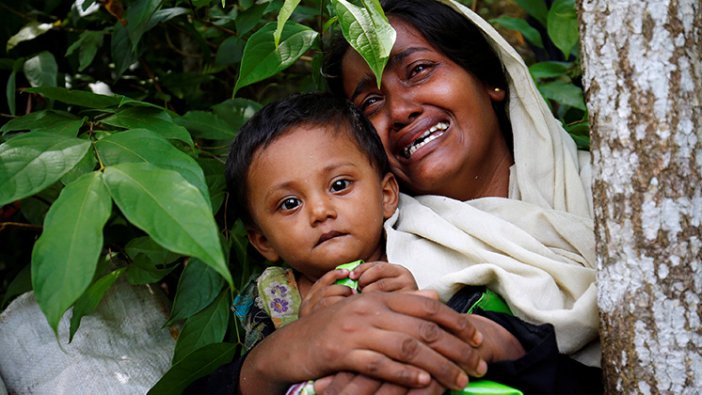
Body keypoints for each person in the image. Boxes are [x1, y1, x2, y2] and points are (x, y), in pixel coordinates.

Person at [192, 0, 602, 393]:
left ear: (489, 78)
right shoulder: (357, 253)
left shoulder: (614, 197)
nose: (401, 109)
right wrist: (277, 356)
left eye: (420, 70)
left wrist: (503, 343)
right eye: (370, 101)